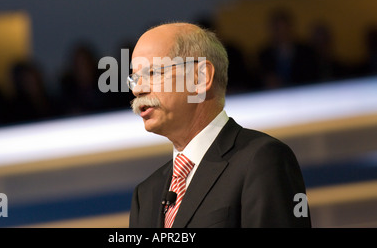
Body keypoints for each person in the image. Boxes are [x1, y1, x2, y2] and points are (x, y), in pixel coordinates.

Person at [128, 22, 311, 228]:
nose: (138, 90)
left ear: (200, 77)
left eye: (152, 73)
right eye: (134, 79)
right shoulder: (146, 194)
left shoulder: (262, 160)